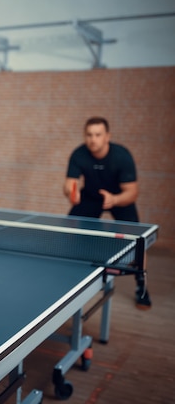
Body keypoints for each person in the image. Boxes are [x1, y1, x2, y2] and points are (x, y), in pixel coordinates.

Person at [63, 116, 151, 309]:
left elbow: (132, 192)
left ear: (107, 136)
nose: (93, 139)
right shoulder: (79, 154)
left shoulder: (122, 156)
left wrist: (114, 200)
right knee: (71, 227)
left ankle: (141, 286)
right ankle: (72, 276)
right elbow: (70, 184)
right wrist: (71, 193)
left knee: (139, 241)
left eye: (98, 134)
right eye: (89, 135)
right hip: (92, 197)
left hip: (119, 198)